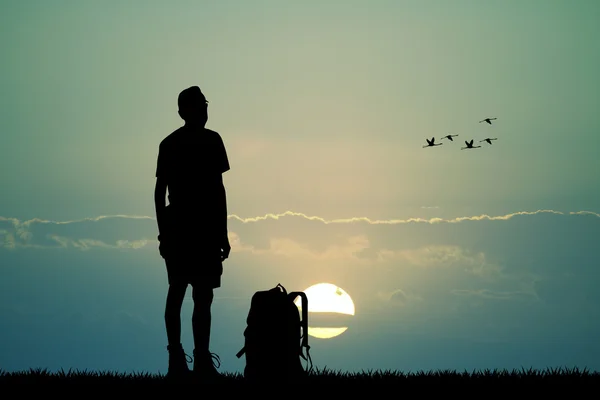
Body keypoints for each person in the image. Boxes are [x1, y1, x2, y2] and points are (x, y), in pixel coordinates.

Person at [154, 85, 231, 381]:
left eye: (205, 107)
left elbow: (218, 189)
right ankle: (177, 357)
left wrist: (223, 232)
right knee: (178, 291)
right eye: (198, 107)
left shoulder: (213, 141)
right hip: (180, 230)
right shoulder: (170, 144)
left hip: (206, 230)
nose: (203, 112)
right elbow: (160, 191)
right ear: (183, 112)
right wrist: (163, 233)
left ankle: (200, 359)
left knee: (203, 296)